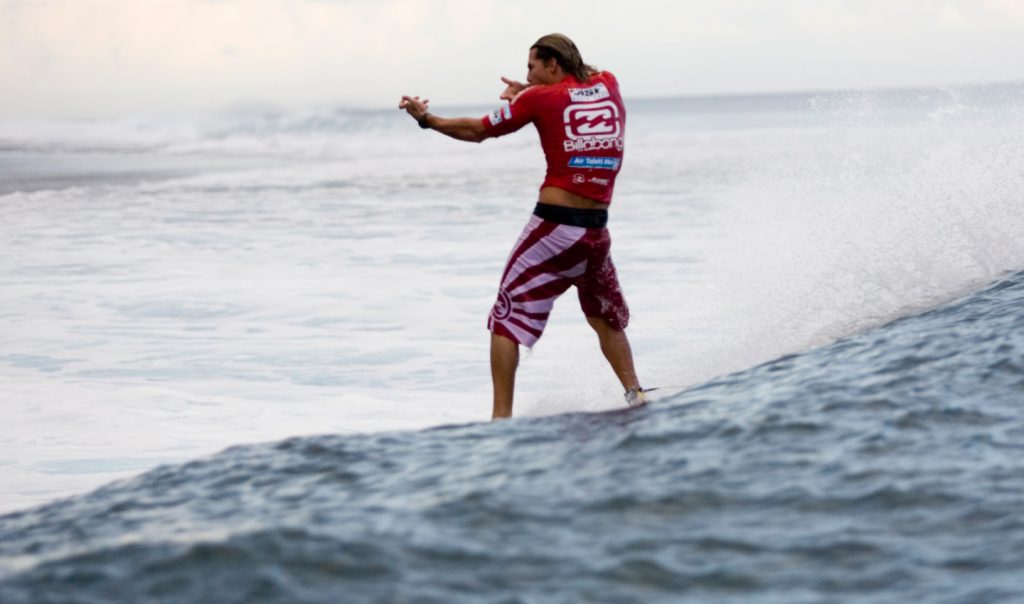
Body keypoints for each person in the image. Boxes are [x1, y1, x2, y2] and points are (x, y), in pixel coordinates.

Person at [399, 33, 645, 419]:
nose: (526, 74)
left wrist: (427, 120)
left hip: (555, 230)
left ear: (552, 64)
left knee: (505, 317)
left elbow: (477, 130)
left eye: (531, 66)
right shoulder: (608, 84)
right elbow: (580, 81)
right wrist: (532, 87)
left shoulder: (538, 99)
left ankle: (501, 421)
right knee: (603, 317)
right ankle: (635, 394)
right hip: (596, 234)